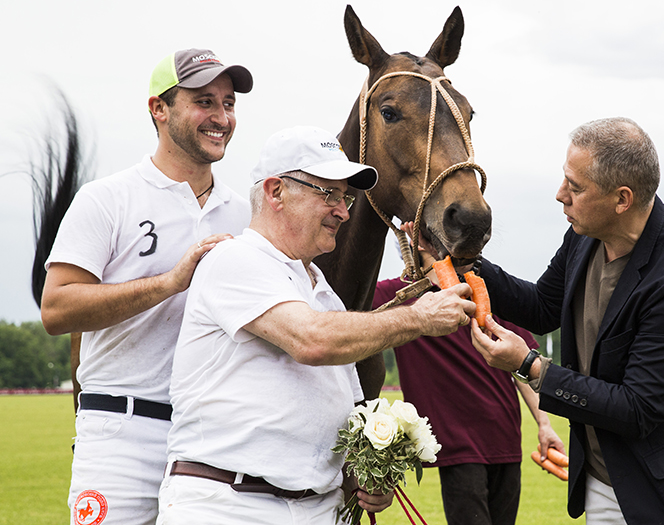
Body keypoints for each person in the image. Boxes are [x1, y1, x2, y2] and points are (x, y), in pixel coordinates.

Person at [157, 126, 478, 525]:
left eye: (345, 197)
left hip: (316, 509)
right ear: (275, 192)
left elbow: (333, 409)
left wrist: (366, 472)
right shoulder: (236, 259)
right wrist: (419, 317)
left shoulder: (321, 291)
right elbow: (311, 340)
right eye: (328, 194)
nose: (344, 211)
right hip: (230, 505)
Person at [468, 117, 664, 524]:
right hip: (599, 481)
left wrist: (529, 366)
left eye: (575, 187)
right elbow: (543, 306)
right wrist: (465, 261)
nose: (560, 196)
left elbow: (637, 408)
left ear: (622, 199)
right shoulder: (584, 236)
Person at [40, 48, 254, 525]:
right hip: (121, 432)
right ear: (159, 108)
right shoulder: (108, 198)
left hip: (212, 443)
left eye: (229, 103)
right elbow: (56, 309)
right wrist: (170, 282)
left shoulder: (246, 215)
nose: (222, 117)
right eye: (204, 102)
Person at [373, 273, 565, 525]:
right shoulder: (400, 295)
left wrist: (544, 424)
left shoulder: (486, 288)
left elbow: (521, 365)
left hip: (505, 436)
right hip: (458, 443)